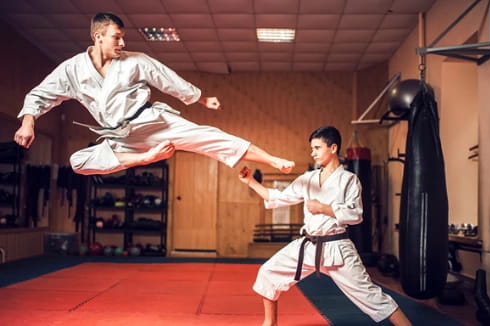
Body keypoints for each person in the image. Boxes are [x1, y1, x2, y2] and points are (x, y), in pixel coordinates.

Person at [13, 12, 294, 176]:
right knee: (77, 162)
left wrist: (200, 98)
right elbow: (40, 95)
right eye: (116, 37)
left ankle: (271, 159)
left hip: (154, 123)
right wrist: (29, 122)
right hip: (120, 137)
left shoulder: (136, 61)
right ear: (98, 36)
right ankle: (144, 160)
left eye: (123, 37)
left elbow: (167, 79)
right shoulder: (72, 70)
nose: (122, 43)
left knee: (211, 136)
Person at [238, 126, 412, 326]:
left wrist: (324, 208)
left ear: (333, 147)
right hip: (308, 245)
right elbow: (277, 197)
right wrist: (251, 181)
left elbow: (355, 215)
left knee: (370, 296)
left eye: (317, 148)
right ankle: (270, 323)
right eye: (311, 148)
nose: (312, 153)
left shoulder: (349, 180)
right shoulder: (308, 179)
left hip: (337, 247)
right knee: (268, 272)